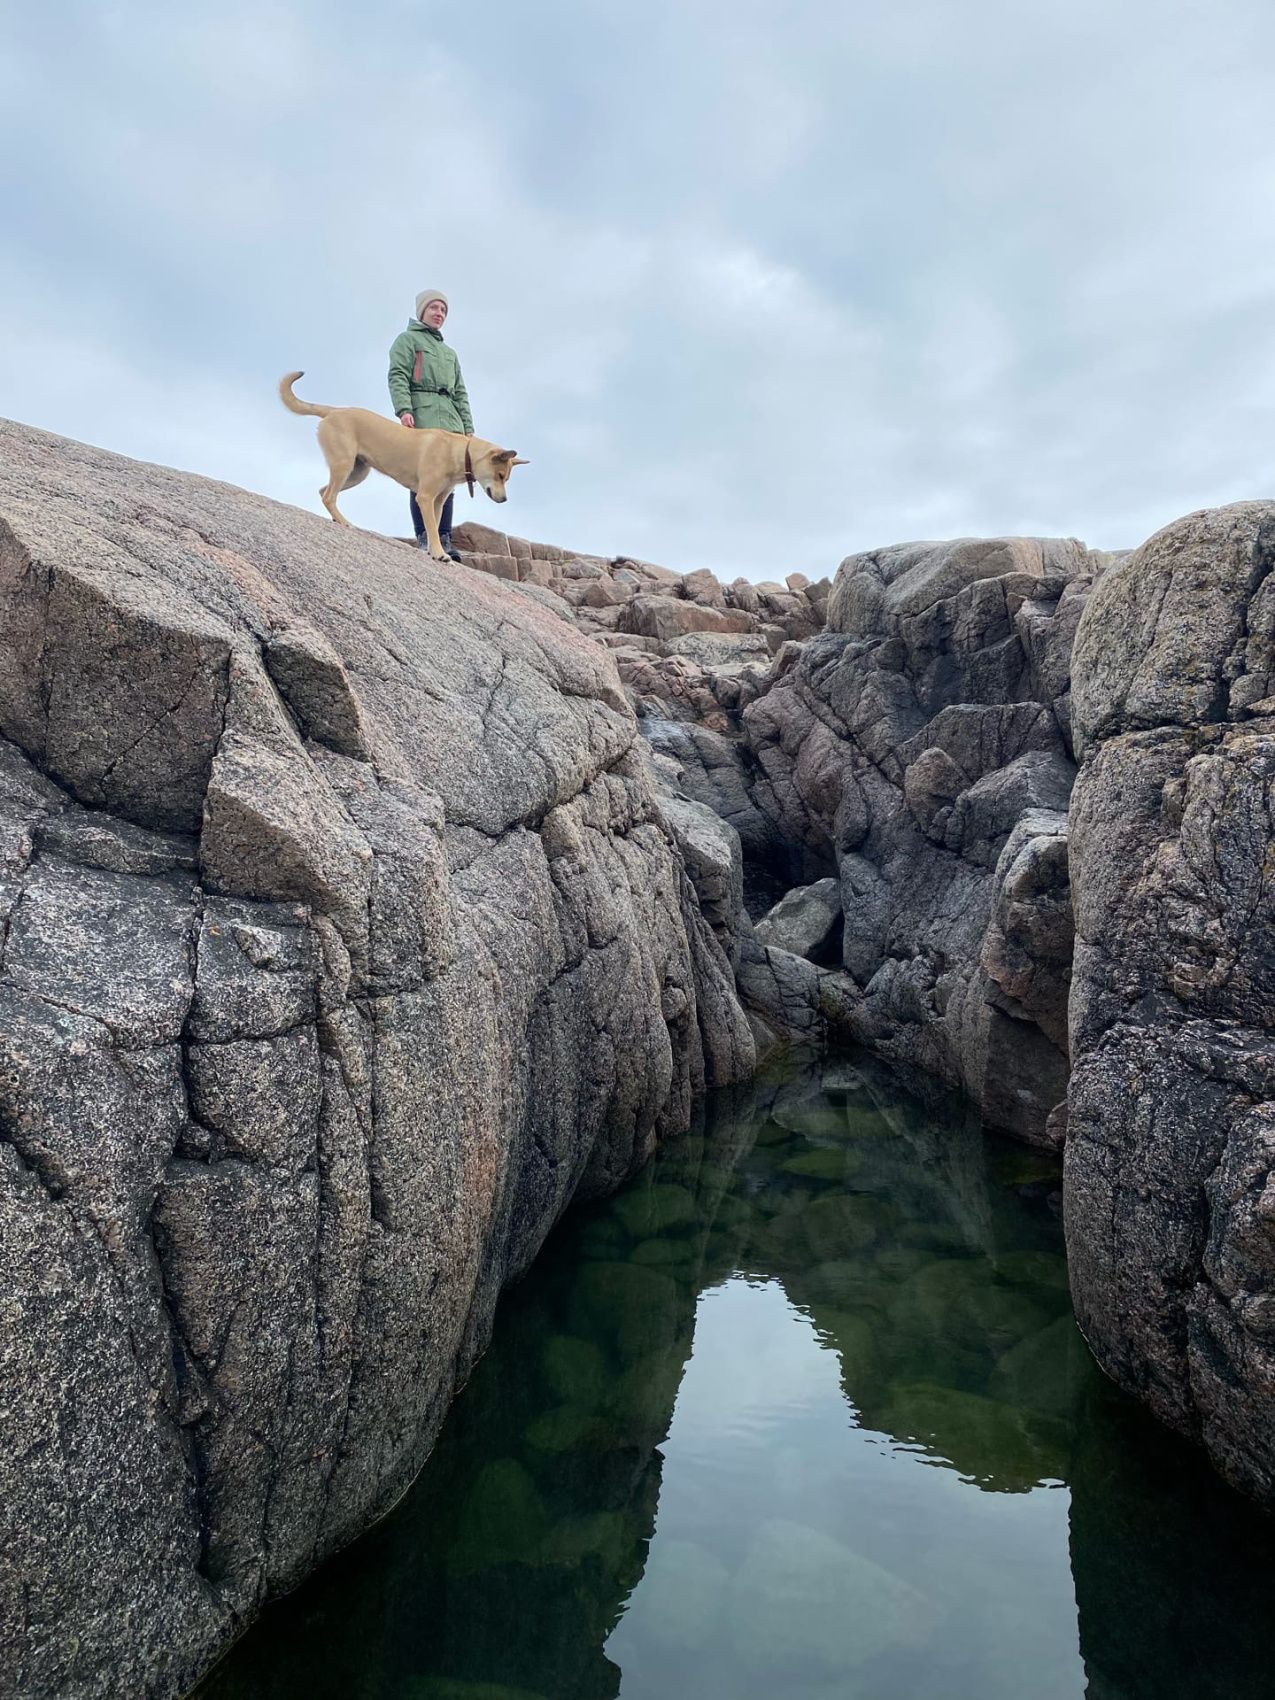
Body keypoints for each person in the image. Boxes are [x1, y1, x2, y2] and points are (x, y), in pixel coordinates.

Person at [387, 290, 473, 559]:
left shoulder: (450, 353)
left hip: (451, 421)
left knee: (449, 482)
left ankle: (444, 537)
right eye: (434, 308)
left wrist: (468, 427)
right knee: (422, 478)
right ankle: (425, 537)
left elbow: (460, 391)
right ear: (422, 311)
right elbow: (398, 374)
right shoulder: (407, 340)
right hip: (422, 414)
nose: (439, 314)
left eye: (443, 310)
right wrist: (404, 409)